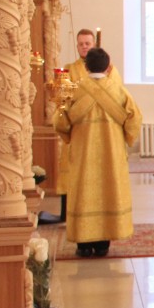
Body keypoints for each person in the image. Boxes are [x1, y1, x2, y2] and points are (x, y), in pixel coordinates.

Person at [53, 47, 141, 257]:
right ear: (108, 67)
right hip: (111, 155)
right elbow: (135, 119)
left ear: (86, 67)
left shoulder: (74, 91)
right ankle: (103, 244)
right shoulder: (119, 91)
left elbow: (60, 122)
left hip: (82, 155)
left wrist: (69, 136)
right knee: (108, 191)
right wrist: (126, 138)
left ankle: (84, 246)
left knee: (83, 192)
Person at [48, 28, 123, 224]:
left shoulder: (110, 70)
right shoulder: (69, 69)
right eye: (81, 44)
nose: (84, 47)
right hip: (80, 133)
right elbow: (63, 99)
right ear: (77, 46)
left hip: (104, 132)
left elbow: (116, 93)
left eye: (87, 44)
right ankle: (69, 212)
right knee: (75, 174)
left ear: (94, 45)